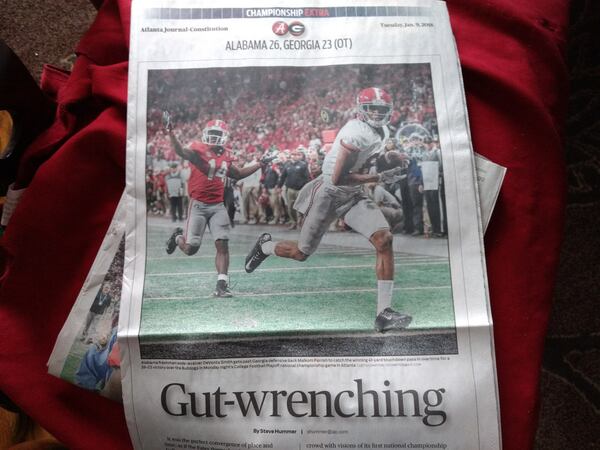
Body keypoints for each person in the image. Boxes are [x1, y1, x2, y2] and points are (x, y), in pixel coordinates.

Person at [245, 87, 412, 332]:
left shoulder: (381, 130)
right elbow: (337, 178)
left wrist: (392, 158)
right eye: (372, 109)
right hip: (329, 194)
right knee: (302, 253)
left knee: (384, 239)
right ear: (362, 110)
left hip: (353, 194)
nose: (377, 114)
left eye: (381, 109)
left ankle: (383, 313)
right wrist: (379, 177)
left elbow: (371, 158)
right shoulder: (354, 133)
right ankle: (265, 247)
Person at [162, 113, 274, 297]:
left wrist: (260, 164)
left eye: (217, 133)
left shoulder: (227, 154)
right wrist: (171, 132)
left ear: (224, 136)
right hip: (198, 205)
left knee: (223, 245)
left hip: (217, 206)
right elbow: (181, 151)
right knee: (190, 249)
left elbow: (237, 174)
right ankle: (177, 238)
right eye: (211, 132)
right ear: (206, 133)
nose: (214, 137)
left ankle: (222, 285)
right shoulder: (197, 149)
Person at [278, 146, 310, 230]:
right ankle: (294, 222)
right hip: (290, 189)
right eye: (293, 155)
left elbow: (307, 178)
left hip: (300, 189)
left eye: (296, 155)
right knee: (290, 207)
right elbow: (282, 177)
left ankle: (301, 222)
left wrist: (306, 189)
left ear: (299, 156)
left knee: (300, 207)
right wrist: (279, 186)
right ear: (291, 156)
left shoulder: (303, 165)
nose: (294, 156)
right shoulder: (287, 165)